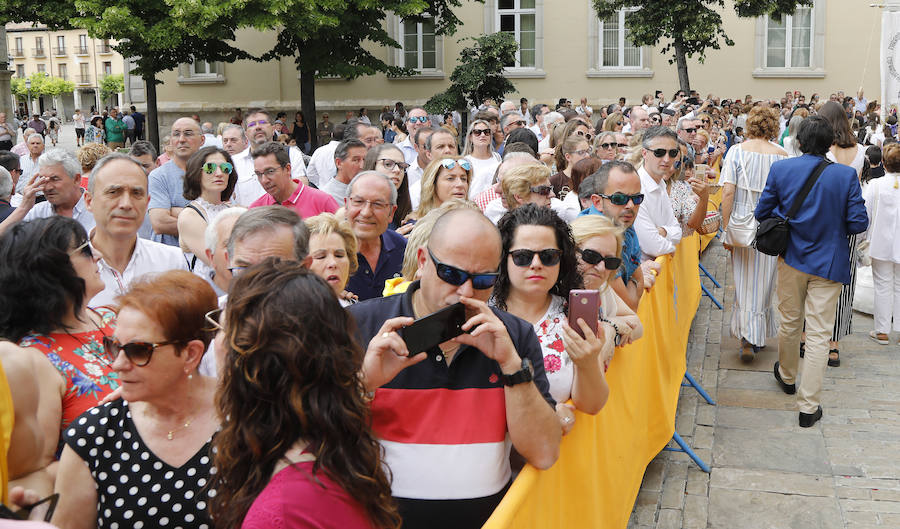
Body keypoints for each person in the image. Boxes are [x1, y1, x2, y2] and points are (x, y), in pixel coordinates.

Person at [348, 208, 560, 528]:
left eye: (484, 280)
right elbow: (313, 442)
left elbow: (544, 453)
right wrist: (364, 384)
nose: (465, 292)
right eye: (451, 274)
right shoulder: (360, 325)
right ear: (422, 260)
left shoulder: (514, 335)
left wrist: (511, 366)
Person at [209, 260, 399, 529]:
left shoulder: (281, 513)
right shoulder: (329, 450)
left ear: (251, 364)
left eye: (222, 327)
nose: (216, 342)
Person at [51, 271, 219, 529]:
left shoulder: (246, 419)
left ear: (190, 354)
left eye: (139, 351)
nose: (117, 364)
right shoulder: (96, 433)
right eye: (114, 346)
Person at [756, 115, 868, 427]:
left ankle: (788, 376)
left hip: (791, 257)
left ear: (800, 142)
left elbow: (762, 212)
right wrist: (831, 223)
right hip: (829, 261)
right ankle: (808, 407)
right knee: (819, 333)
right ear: (831, 143)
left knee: (790, 322)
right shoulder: (845, 177)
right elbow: (859, 223)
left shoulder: (782, 169)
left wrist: (793, 219)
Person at [0, 217, 118, 496]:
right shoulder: (35, 359)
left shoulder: (113, 318)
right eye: (86, 249)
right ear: (50, 272)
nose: (98, 254)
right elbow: (33, 472)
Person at [492, 204, 611, 435]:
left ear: (562, 259)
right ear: (503, 258)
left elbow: (592, 405)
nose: (536, 264)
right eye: (523, 256)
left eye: (548, 256)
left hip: (548, 463)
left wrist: (588, 363)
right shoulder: (483, 312)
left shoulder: (573, 317)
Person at [719, 106, 787, 361]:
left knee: (744, 282)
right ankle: (755, 334)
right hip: (770, 223)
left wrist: (726, 229)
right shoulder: (782, 155)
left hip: (741, 221)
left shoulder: (736, 152)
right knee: (765, 282)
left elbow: (727, 192)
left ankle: (747, 338)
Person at [86, 153, 189, 307]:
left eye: (136, 193)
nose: (126, 204)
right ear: (89, 201)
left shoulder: (172, 262)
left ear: (147, 202)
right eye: (114, 192)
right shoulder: (64, 268)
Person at [820, 101, 869, 367]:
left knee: (815, 274)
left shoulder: (821, 150)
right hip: (848, 219)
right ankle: (834, 343)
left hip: (822, 219)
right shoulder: (860, 150)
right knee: (844, 277)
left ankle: (809, 333)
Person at [570, 214, 643, 344]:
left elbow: (637, 325)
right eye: (592, 256)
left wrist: (611, 328)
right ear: (571, 250)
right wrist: (610, 327)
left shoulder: (600, 286)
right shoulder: (550, 291)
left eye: (610, 261)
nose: (601, 267)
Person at [344, 171, 407, 301]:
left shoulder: (403, 249)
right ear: (346, 205)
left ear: (391, 212)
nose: (366, 212)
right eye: (358, 201)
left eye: (377, 204)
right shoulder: (326, 252)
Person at [177, 146, 238, 273]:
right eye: (210, 168)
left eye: (225, 168)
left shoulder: (234, 210)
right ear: (196, 174)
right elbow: (217, 262)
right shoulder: (190, 216)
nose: (219, 173)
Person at [863, 142, 900, 344]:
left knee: (883, 285)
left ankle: (882, 330)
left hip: (880, 241)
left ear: (884, 164)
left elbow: (865, 214)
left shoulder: (875, 185)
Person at [148, 117, 205, 246]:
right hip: (170, 256)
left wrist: (178, 212)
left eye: (188, 134)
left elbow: (227, 214)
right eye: (176, 134)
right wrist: (210, 225)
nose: (181, 139)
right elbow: (159, 223)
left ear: (202, 140)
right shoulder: (159, 176)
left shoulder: (213, 172)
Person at [249, 141, 339, 216]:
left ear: (288, 169)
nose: (264, 180)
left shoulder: (322, 202)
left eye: (270, 171)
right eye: (259, 174)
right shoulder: (255, 211)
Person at [633, 126, 682, 260]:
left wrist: (663, 231)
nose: (667, 159)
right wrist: (671, 248)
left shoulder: (660, 183)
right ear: (644, 153)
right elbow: (653, 246)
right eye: (659, 152)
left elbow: (677, 231)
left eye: (672, 153)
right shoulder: (636, 188)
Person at [20, 149, 94, 233]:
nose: (48, 187)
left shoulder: (98, 211)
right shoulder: (37, 212)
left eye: (55, 179)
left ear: (76, 179)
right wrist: (23, 207)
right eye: (43, 180)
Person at [305, 213, 359, 306]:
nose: (333, 263)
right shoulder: (286, 315)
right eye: (320, 256)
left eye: (339, 255)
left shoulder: (356, 309)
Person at [404, 156, 470, 225]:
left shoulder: (474, 222)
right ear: (432, 184)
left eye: (463, 179)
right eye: (450, 178)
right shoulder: (414, 226)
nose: (460, 184)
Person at [666, 141, 710, 237]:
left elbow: (692, 224)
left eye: (684, 159)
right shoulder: (642, 182)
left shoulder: (679, 186)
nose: (680, 162)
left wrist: (704, 198)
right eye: (674, 154)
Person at [363, 143, 413, 226]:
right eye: (388, 164)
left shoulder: (407, 214)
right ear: (372, 166)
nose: (397, 170)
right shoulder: (357, 210)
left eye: (401, 166)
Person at [463, 119, 502, 197]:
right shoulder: (465, 161)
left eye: (486, 132)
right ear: (470, 137)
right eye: (477, 132)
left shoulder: (497, 157)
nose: (482, 135)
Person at [321, 139, 367, 203]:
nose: (362, 166)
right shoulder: (326, 197)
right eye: (356, 160)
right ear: (339, 163)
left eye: (365, 160)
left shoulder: (368, 189)